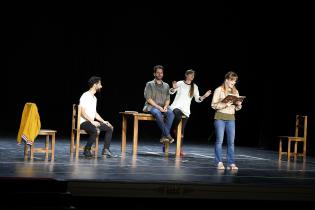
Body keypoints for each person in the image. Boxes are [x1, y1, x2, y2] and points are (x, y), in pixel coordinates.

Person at [169, 69, 211, 156]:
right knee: (178, 115)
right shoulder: (180, 83)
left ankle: (179, 149)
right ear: (186, 75)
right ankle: (173, 129)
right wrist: (173, 88)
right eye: (191, 75)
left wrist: (204, 96)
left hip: (186, 110)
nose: (192, 76)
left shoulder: (194, 87)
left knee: (181, 134)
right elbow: (171, 92)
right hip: (176, 107)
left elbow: (197, 99)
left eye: (193, 75)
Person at [211, 71, 242, 170]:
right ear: (227, 80)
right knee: (219, 141)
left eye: (235, 81)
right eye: (232, 80)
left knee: (231, 142)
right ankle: (219, 162)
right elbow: (213, 105)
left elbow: (237, 108)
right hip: (220, 117)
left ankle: (231, 163)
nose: (234, 82)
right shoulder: (218, 90)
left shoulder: (235, 92)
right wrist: (225, 104)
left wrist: (238, 105)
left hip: (231, 118)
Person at [79, 76, 116, 158]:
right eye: (100, 84)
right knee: (96, 130)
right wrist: (92, 121)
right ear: (95, 85)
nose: (101, 86)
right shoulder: (85, 95)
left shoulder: (94, 98)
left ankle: (105, 150)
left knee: (110, 127)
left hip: (91, 122)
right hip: (83, 122)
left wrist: (103, 121)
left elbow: (95, 113)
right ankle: (87, 149)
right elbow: (82, 112)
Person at [143, 65, 175, 143]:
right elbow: (148, 98)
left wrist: (165, 106)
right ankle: (168, 135)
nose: (160, 74)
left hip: (162, 107)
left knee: (171, 113)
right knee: (157, 113)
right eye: (158, 73)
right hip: (152, 106)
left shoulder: (166, 85)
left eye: (161, 73)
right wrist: (158, 107)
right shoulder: (149, 84)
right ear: (154, 74)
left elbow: (168, 99)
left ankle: (164, 136)